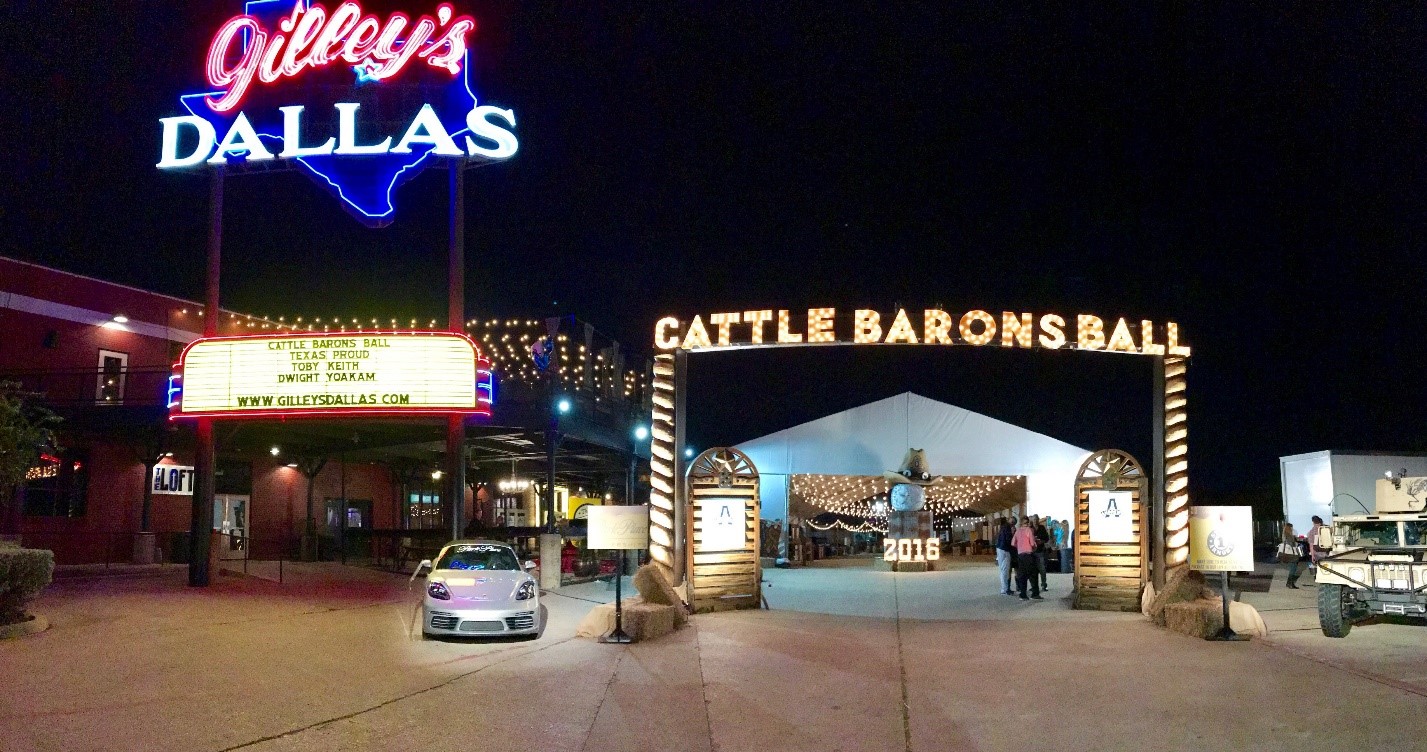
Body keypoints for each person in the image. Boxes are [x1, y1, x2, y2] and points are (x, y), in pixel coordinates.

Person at [1012, 517, 1042, 600]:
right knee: (1033, 574)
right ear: (1028, 523)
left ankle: (1023, 594)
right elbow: (1032, 543)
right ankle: (1035, 594)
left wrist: (1019, 547)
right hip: (1028, 555)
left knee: (1022, 575)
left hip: (1020, 555)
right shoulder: (1028, 530)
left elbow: (1013, 543)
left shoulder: (1017, 531)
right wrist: (1035, 546)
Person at [1282, 522, 1310, 589]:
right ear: (1289, 528)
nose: (1292, 529)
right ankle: (1290, 584)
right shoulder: (1289, 536)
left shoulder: (1286, 535)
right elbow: (1291, 545)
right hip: (1292, 554)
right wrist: (1296, 544)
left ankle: (1289, 583)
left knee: (1293, 568)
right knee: (1293, 569)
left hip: (1289, 554)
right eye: (1291, 528)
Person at [995, 518, 1015, 595]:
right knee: (1005, 570)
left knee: (1002, 570)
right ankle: (1005, 589)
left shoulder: (1003, 527)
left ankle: (1004, 588)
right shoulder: (1008, 528)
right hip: (1005, 549)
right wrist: (1013, 534)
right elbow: (1008, 539)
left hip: (1000, 548)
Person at [1032, 515, 1051, 591]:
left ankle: (1044, 584)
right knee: (1033, 570)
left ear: (1038, 520)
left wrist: (1041, 541)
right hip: (1032, 552)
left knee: (1042, 569)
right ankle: (1034, 586)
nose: (1035, 521)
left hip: (1040, 551)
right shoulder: (1030, 529)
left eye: (1036, 519)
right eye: (1034, 519)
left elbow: (1047, 538)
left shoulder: (1042, 528)